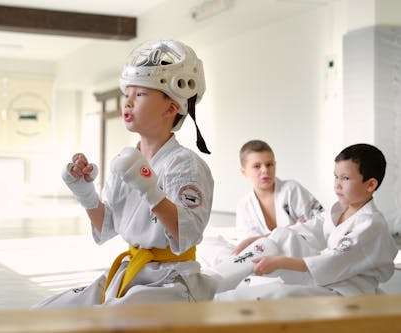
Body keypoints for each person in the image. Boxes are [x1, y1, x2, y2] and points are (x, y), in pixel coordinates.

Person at [33, 39, 217, 308]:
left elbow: (185, 233)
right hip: (133, 271)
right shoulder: (127, 161)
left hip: (171, 282)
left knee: (108, 321)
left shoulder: (185, 165)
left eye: (140, 94)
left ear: (171, 108)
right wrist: (85, 192)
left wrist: (149, 188)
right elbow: (107, 226)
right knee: (46, 312)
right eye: (127, 93)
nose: (128, 102)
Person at [214, 143, 398, 300]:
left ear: (370, 184)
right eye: (336, 177)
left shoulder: (370, 224)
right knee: (285, 235)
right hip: (327, 276)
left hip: (345, 290)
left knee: (275, 295)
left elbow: (332, 262)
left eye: (345, 178)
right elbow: (306, 228)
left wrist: (279, 262)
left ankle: (215, 288)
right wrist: (256, 239)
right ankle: (215, 279)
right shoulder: (340, 210)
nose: (337, 184)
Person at [197, 139, 323, 268]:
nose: (265, 170)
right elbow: (250, 247)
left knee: (285, 239)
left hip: (294, 257)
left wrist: (279, 235)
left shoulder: (291, 189)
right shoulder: (244, 205)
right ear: (244, 172)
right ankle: (235, 266)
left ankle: (236, 267)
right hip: (261, 259)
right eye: (257, 166)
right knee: (206, 243)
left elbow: (320, 225)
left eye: (269, 164)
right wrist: (295, 227)